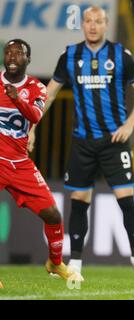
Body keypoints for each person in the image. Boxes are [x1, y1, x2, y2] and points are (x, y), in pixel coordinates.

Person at [28, 6, 134, 279]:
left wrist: (129, 125)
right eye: (88, 21)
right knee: (78, 201)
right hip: (83, 142)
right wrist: (33, 128)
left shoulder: (120, 55)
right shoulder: (70, 56)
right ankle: (75, 263)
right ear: (82, 24)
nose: (93, 26)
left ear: (106, 24)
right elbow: (48, 95)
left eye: (98, 21)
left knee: (126, 201)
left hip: (114, 141)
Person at [0, 39, 81, 280]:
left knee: (53, 214)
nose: (12, 56)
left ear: (28, 59)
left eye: (18, 53)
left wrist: (16, 98)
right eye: (8, 52)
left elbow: (35, 114)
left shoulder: (36, 87)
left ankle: (55, 263)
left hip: (19, 163)